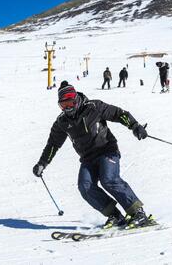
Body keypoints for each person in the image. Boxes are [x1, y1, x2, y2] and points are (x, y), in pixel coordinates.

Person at [33, 81, 150, 229]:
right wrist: (42, 163)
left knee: (108, 179)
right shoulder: (62, 122)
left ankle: (138, 213)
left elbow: (119, 114)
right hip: (88, 158)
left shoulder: (94, 107)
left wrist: (135, 126)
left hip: (107, 150)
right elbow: (53, 145)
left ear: (76, 99)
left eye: (70, 103)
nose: (67, 107)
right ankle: (115, 216)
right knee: (85, 187)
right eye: (63, 105)